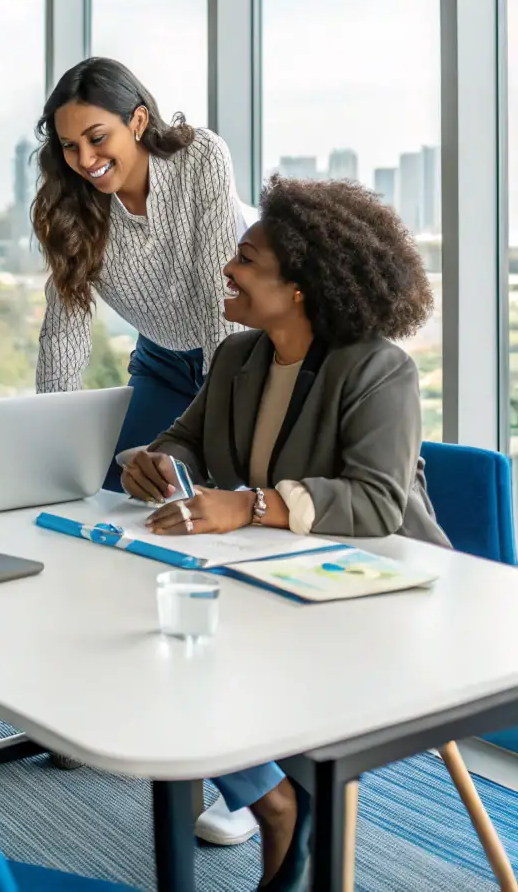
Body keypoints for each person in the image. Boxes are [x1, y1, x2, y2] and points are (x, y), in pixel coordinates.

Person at [121, 175, 446, 892]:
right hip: (273, 581)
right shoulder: (239, 357)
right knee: (161, 634)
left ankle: (287, 810)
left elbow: (377, 502)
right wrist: (157, 465)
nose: (227, 270)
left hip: (382, 593)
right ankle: (274, 798)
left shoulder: (377, 368)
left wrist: (249, 504)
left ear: (299, 286)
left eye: (245, 258)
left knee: (198, 646)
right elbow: (182, 439)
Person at [33, 58, 244, 492]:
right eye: (70, 146)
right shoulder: (67, 210)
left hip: (239, 354)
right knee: (113, 482)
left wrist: (219, 415)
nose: (85, 159)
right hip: (164, 362)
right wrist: (53, 440)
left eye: (97, 138)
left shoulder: (199, 158)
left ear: (138, 121)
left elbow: (218, 299)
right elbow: (63, 334)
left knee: (226, 482)